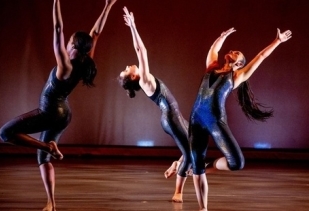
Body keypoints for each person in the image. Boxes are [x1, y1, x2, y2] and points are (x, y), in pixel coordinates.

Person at [0, 0, 117, 210]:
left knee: (5, 133)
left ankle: (47, 146)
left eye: (70, 39)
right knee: (43, 159)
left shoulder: (65, 64)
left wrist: (56, 2)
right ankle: (51, 204)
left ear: (73, 46)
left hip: (49, 113)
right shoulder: (84, 60)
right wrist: (107, 6)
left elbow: (58, 28)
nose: (67, 39)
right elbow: (96, 33)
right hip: (64, 114)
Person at [189, 27, 292, 211]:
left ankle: (209, 166)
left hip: (215, 121)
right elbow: (214, 49)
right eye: (233, 50)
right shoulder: (211, 67)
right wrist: (222, 36)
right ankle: (202, 208)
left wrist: (277, 41)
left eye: (237, 53)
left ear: (239, 64)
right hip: (196, 120)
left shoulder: (236, 76)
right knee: (196, 166)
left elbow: (260, 57)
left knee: (237, 162)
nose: (232, 51)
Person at [117, 7, 192, 203]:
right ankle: (178, 192)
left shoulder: (144, 79)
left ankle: (176, 164)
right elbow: (142, 50)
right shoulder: (145, 81)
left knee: (193, 144)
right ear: (133, 76)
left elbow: (140, 51)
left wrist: (133, 26)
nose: (128, 66)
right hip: (171, 118)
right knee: (191, 154)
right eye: (126, 70)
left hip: (173, 116)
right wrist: (133, 26)